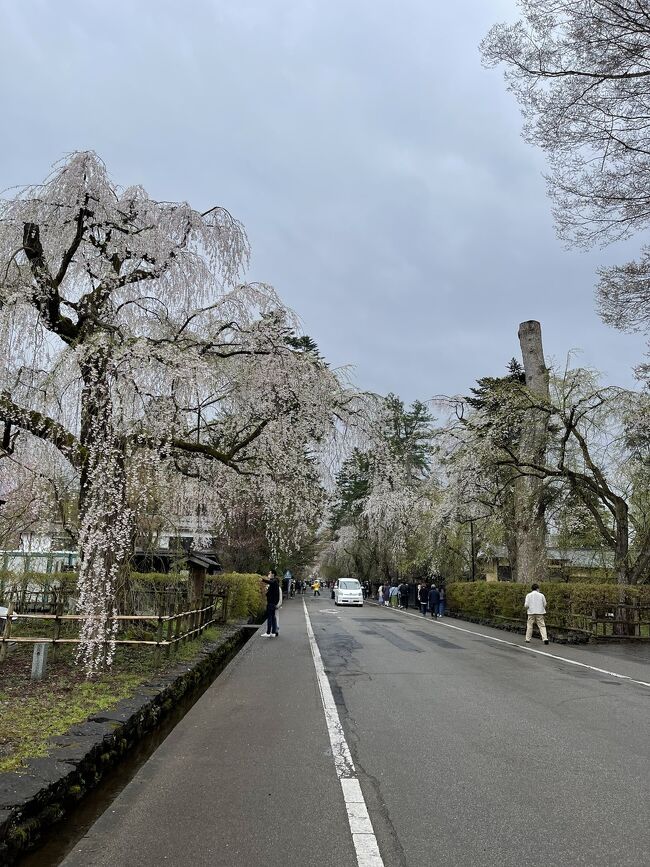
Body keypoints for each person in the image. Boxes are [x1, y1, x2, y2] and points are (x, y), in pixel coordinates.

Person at [261, 570, 280, 637]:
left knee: (269, 617)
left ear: (273, 574)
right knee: (273, 617)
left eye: (269, 573)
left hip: (271, 603)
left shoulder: (274, 581)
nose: (268, 574)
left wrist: (263, 580)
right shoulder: (276, 581)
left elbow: (271, 582)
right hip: (273, 603)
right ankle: (273, 633)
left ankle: (268, 633)